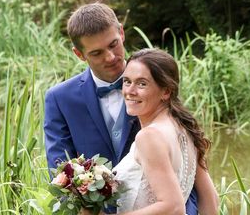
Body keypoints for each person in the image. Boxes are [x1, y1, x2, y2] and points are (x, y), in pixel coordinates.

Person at [43, 3, 203, 214]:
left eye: (113, 45)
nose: (110, 57)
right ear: (79, 54)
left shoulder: (155, 78)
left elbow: (189, 164)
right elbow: (60, 170)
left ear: (121, 32)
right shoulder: (60, 99)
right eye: (97, 53)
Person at [90, 48, 219, 215]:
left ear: (166, 91)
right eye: (127, 81)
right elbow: (211, 201)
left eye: (142, 83)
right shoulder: (183, 127)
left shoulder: (149, 136)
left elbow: (173, 207)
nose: (130, 91)